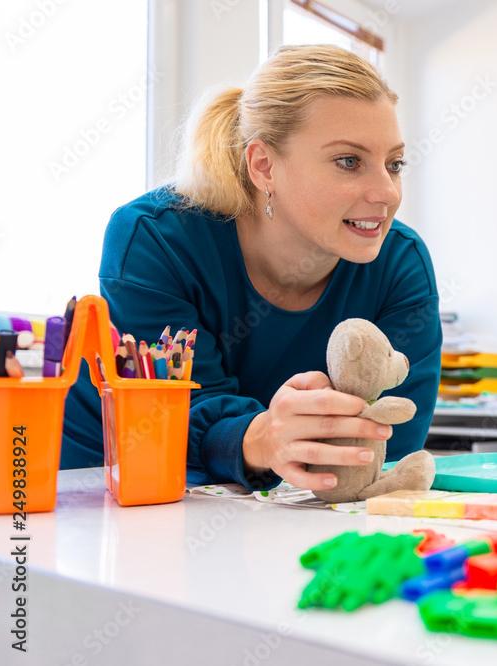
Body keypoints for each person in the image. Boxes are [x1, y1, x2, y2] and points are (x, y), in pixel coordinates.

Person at [62, 45, 441, 492]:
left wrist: (286, 447)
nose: (387, 193)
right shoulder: (156, 238)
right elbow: (169, 416)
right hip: (106, 480)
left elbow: (385, 444)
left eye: (394, 164)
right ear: (264, 165)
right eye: (348, 161)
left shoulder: (401, 264)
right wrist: (258, 437)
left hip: (267, 500)